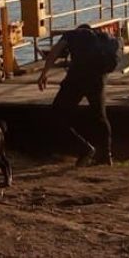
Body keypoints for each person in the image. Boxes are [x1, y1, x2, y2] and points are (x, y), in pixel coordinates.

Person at [37, 24, 113, 167]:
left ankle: (85, 148)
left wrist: (43, 74)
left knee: (56, 115)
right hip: (98, 79)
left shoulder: (71, 34)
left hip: (77, 79)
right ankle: (107, 156)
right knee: (100, 117)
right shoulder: (101, 37)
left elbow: (54, 52)